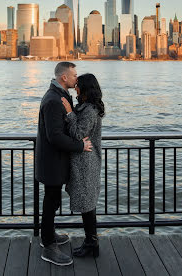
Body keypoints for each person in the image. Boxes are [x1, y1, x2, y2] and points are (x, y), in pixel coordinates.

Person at [35, 62, 92, 266]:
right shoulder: (53, 100)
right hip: (52, 163)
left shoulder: (59, 96)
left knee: (53, 201)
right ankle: (48, 246)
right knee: (51, 202)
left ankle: (48, 235)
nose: (77, 79)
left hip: (56, 161)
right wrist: (79, 146)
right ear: (64, 78)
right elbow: (55, 136)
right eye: (74, 75)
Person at [61, 73, 104, 258]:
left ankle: (91, 244)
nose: (75, 88)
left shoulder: (90, 111)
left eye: (78, 85)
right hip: (84, 162)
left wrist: (70, 113)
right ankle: (91, 242)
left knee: (87, 205)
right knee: (88, 205)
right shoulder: (86, 108)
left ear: (86, 89)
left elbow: (79, 134)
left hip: (86, 163)